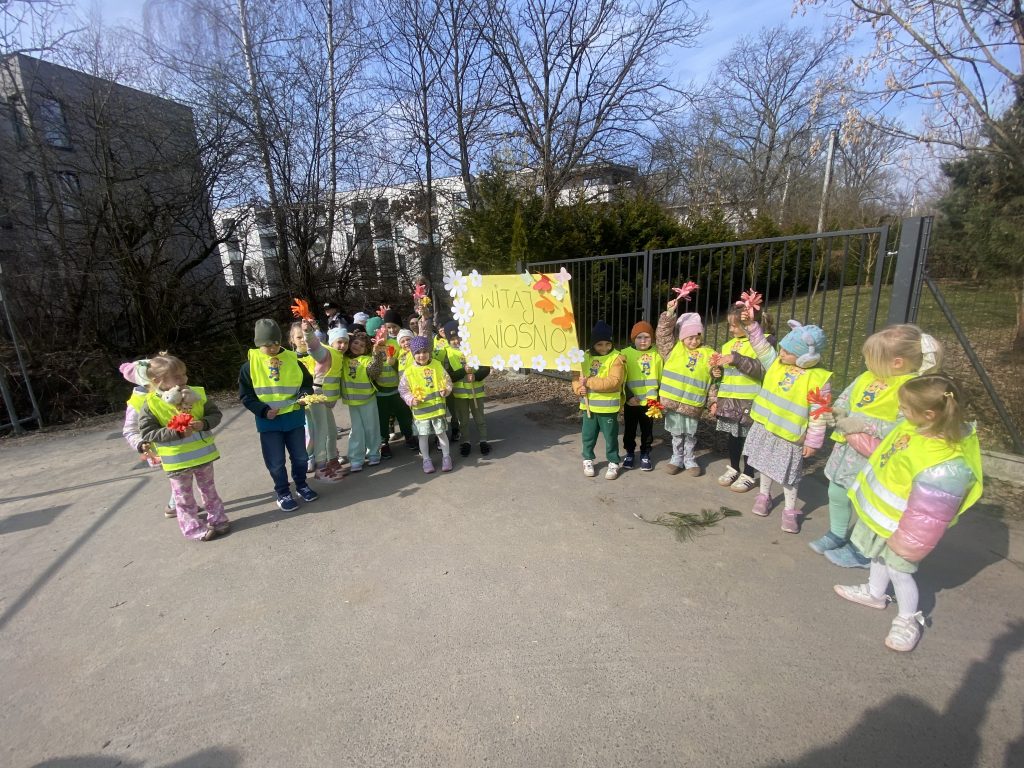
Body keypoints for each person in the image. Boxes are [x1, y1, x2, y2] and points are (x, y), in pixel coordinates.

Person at [833, 374, 983, 652]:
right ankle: (875, 593)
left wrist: (907, 544)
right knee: (878, 556)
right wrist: (852, 432)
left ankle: (907, 619)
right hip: (886, 519)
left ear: (928, 414)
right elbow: (883, 451)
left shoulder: (945, 464)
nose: (900, 411)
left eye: (904, 407)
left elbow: (929, 515)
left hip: (905, 531)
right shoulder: (914, 428)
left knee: (899, 571)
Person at [813, 326, 942, 567]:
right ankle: (837, 533)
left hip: (875, 457)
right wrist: (838, 411)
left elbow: (905, 425)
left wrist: (863, 424)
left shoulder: (911, 388)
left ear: (897, 363)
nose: (866, 362)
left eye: (871, 358)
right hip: (846, 451)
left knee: (869, 503)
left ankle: (862, 550)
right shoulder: (867, 377)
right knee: (837, 491)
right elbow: (847, 398)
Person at [741, 311, 831, 533]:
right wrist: (751, 325)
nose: (781, 353)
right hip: (767, 427)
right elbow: (762, 347)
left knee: (789, 474)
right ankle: (764, 496)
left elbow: (819, 413)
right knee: (764, 463)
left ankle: (790, 510)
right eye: (782, 348)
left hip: (790, 435)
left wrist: (813, 441)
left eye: (788, 352)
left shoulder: (818, 379)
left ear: (806, 356)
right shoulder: (776, 364)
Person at [138, 354, 230, 541]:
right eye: (177, 376)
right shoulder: (151, 404)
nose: (183, 379)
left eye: (184, 374)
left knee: (209, 491)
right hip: (177, 461)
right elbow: (148, 433)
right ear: (157, 381)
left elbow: (215, 414)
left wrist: (204, 423)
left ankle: (218, 519)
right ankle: (193, 528)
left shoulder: (196, 393)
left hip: (203, 456)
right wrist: (176, 432)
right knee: (184, 498)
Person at [239, 318, 319, 511]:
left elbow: (306, 384)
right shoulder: (249, 366)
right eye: (267, 345)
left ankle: (301, 485)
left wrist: (304, 395)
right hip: (269, 422)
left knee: (301, 457)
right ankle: (283, 492)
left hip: (294, 418)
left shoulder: (293, 360)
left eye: (275, 343)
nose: (273, 348)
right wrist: (263, 410)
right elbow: (246, 396)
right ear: (258, 344)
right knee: (275, 462)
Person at [710, 304, 774, 492]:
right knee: (734, 437)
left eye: (734, 325)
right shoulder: (728, 345)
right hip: (730, 400)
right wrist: (717, 372)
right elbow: (726, 375)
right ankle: (734, 468)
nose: (731, 330)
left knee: (750, 440)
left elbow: (764, 370)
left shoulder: (764, 342)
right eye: (729, 325)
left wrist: (736, 359)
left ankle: (749, 473)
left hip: (750, 401)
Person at [655, 302, 716, 476]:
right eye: (690, 337)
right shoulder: (672, 350)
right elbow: (663, 335)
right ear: (682, 337)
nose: (694, 341)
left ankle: (689, 459)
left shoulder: (708, 354)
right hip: (673, 402)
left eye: (697, 337)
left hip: (693, 403)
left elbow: (713, 380)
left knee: (690, 434)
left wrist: (713, 401)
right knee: (676, 433)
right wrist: (669, 313)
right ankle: (676, 458)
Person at [119, 358, 179, 517]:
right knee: (179, 477)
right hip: (160, 450)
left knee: (183, 476)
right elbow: (130, 429)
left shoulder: (167, 393)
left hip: (178, 443)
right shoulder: (137, 402)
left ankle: (179, 504)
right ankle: (176, 505)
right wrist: (140, 443)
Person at [572, 320, 625, 479]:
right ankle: (587, 459)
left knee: (610, 437)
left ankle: (613, 462)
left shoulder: (616, 358)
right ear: (593, 344)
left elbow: (614, 382)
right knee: (588, 436)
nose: (604, 348)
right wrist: (578, 389)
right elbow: (576, 376)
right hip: (589, 407)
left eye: (607, 344)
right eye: (599, 344)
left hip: (608, 408)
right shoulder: (585, 356)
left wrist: (588, 382)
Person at [399, 335, 454, 473]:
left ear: (429, 352)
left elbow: (447, 381)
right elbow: (403, 389)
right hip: (421, 412)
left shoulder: (437, 365)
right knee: (423, 437)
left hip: (437, 409)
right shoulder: (409, 371)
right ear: (413, 354)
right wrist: (411, 399)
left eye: (424, 351)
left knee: (441, 434)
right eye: (417, 352)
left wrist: (446, 390)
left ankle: (446, 457)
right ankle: (426, 459)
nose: (421, 355)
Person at [300, 319, 345, 482]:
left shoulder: (338, 355)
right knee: (321, 432)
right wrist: (308, 333)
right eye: (339, 342)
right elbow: (314, 348)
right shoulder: (326, 352)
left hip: (326, 400)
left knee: (331, 432)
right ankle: (321, 467)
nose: (343, 345)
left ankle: (332, 461)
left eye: (345, 342)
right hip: (317, 397)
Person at [444, 320, 492, 456]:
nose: (456, 341)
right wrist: (463, 371)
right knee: (463, 420)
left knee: (480, 418)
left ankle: (483, 441)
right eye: (452, 339)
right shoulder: (448, 354)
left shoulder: (474, 349)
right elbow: (448, 375)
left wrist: (476, 376)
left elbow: (486, 368)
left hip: (476, 393)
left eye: (458, 337)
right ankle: (466, 442)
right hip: (460, 395)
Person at [342, 329, 387, 472]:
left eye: (362, 345)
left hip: (368, 400)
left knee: (371, 428)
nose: (357, 346)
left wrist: (377, 354)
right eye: (355, 343)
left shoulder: (366, 360)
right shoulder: (343, 358)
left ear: (366, 349)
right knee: (356, 431)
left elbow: (375, 371)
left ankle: (373, 453)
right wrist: (346, 336)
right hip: (352, 402)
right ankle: (356, 459)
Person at [620, 321, 662, 471]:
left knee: (647, 430)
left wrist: (657, 399)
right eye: (639, 337)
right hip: (632, 401)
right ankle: (630, 453)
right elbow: (620, 378)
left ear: (652, 339)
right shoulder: (624, 354)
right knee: (629, 430)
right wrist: (629, 396)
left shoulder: (657, 354)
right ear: (633, 339)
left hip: (650, 402)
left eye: (647, 337)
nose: (643, 341)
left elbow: (661, 378)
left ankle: (645, 453)